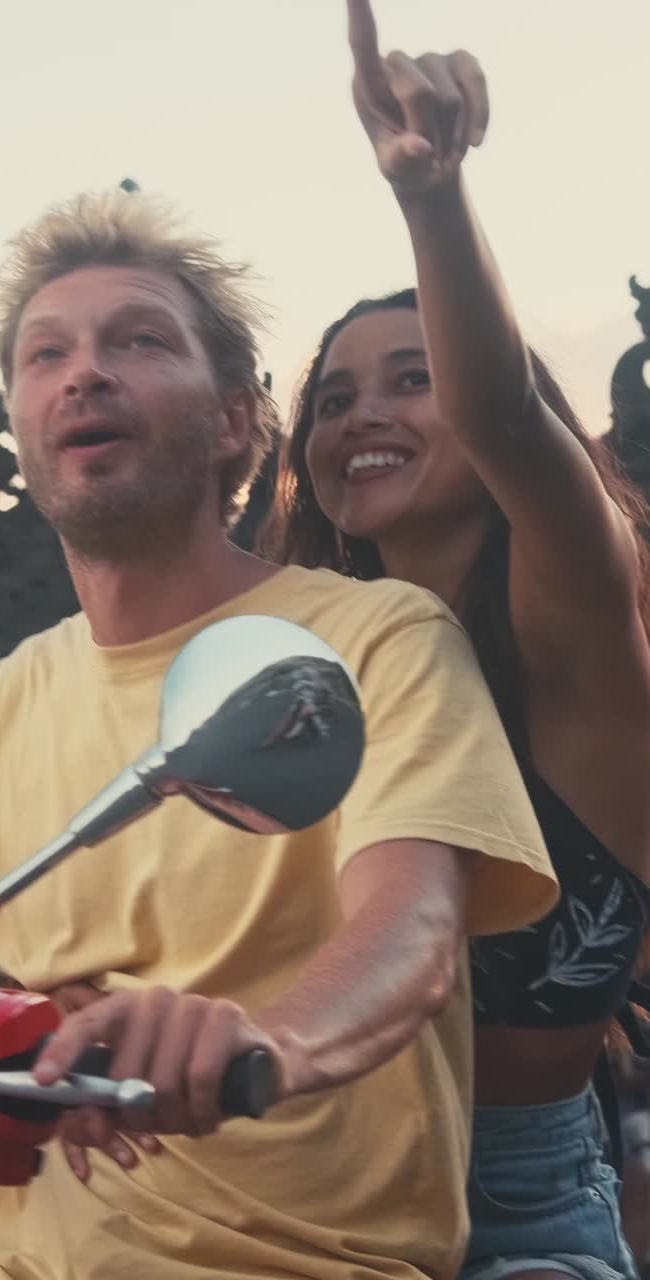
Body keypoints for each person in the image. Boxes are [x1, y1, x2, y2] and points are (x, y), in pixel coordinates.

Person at [0, 190, 555, 1280]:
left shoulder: (373, 636)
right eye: (45, 353)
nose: (83, 372)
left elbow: (411, 929)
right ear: (24, 426)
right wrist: (22, 1033)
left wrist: (269, 1040)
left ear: (233, 420)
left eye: (138, 338)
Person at [271, 3, 650, 1278]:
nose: (361, 413)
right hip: (282, 1180)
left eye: (408, 375)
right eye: (332, 397)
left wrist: (428, 196)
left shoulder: (586, 627)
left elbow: (499, 408)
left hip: (512, 1208)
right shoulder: (288, 670)